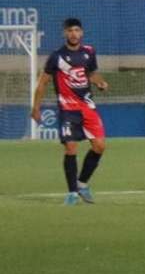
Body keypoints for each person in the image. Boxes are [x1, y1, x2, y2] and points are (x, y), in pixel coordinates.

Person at [29, 17, 109, 205]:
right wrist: (36, 107)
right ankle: (72, 192)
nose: (74, 34)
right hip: (68, 108)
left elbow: (92, 73)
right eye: (70, 31)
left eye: (77, 30)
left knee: (99, 146)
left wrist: (100, 83)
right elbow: (43, 83)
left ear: (81, 33)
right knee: (71, 147)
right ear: (65, 33)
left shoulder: (89, 52)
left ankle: (81, 184)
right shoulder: (56, 56)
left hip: (87, 106)